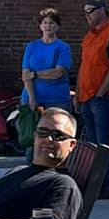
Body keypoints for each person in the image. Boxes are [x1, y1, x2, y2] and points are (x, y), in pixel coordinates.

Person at [76, 0, 109, 199]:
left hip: (101, 98)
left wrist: (100, 93)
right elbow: (84, 66)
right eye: (85, 11)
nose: (87, 15)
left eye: (90, 10)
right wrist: (79, 93)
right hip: (86, 97)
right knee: (93, 143)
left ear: (102, 10)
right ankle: (98, 184)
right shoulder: (89, 36)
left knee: (105, 144)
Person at [20, 9, 72, 140]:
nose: (48, 26)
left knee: (59, 139)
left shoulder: (63, 47)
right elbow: (26, 75)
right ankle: (31, 161)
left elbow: (59, 72)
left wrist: (36, 74)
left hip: (57, 100)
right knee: (32, 139)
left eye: (52, 23)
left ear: (58, 26)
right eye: (45, 23)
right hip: (32, 99)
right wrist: (32, 98)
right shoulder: (31, 47)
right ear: (40, 26)